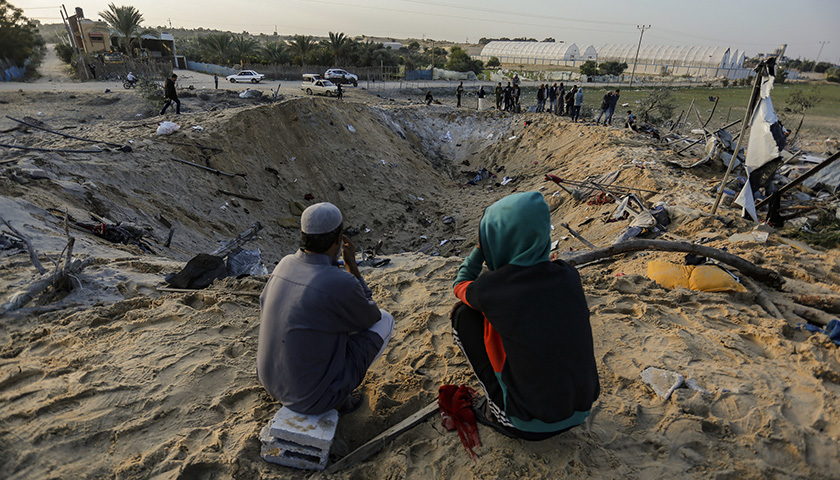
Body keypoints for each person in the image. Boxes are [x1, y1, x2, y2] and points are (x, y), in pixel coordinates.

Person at [450, 192, 600, 440]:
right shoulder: (567, 275)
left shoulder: (493, 289)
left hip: (527, 425)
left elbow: (460, 284)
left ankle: (495, 410)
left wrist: (479, 250)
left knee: (463, 315)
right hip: (581, 410)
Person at [257, 202, 395, 415]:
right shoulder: (340, 282)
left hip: (270, 382)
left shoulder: (284, 264)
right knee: (385, 320)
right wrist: (352, 267)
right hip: (311, 399)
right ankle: (339, 399)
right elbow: (371, 316)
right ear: (339, 239)